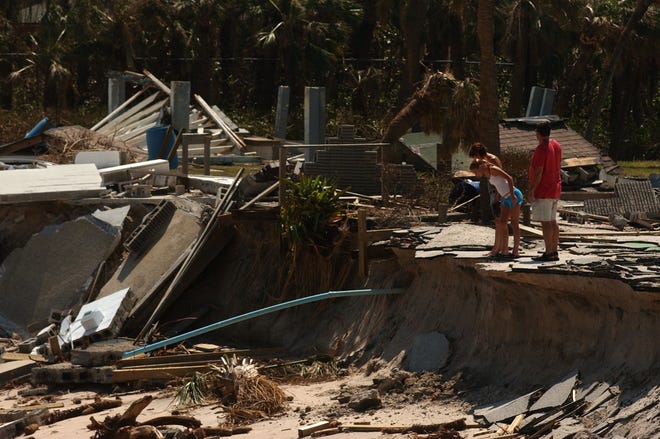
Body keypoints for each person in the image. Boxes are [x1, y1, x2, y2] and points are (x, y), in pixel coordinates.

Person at [469, 160, 523, 258]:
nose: (476, 174)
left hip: (514, 195)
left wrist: (512, 195)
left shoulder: (493, 169)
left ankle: (515, 250)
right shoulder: (487, 175)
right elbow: (499, 185)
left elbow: (509, 179)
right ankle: (503, 250)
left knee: (514, 223)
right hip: (505, 197)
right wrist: (498, 197)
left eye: (476, 171)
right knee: (502, 222)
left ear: (480, 167)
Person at [527, 120, 562, 261]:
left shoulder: (541, 149)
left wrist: (531, 190)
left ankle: (548, 252)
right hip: (555, 187)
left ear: (538, 134)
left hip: (544, 189)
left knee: (546, 222)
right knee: (553, 221)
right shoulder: (556, 145)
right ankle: (554, 250)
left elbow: (539, 171)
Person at [468, 142, 503, 220]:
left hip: (498, 190)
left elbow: (501, 178)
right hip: (492, 189)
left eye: (475, 156)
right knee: (496, 216)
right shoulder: (483, 161)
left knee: (500, 217)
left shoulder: (492, 160)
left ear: (478, 153)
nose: (475, 159)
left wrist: (497, 196)